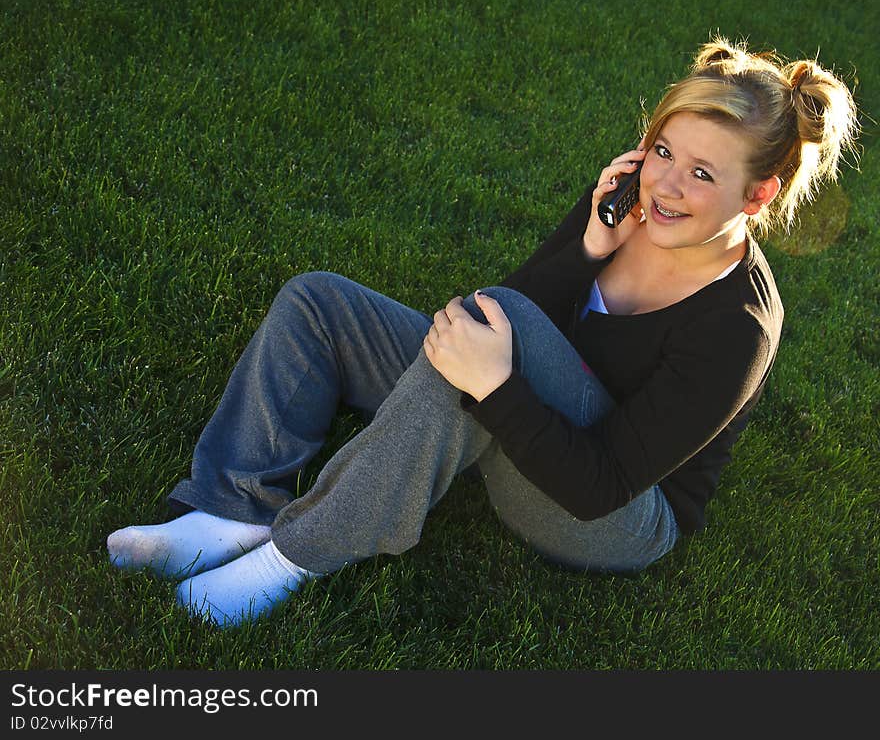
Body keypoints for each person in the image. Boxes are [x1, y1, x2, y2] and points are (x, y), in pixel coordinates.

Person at [107, 37, 860, 627]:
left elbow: (599, 485)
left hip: (613, 515)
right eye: (663, 151)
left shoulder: (740, 324)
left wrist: (495, 387)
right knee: (319, 304)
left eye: (702, 174)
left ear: (758, 194)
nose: (665, 184)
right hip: (531, 417)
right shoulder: (628, 204)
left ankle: (288, 558)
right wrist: (591, 248)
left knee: (487, 343)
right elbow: (520, 300)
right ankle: (233, 506)